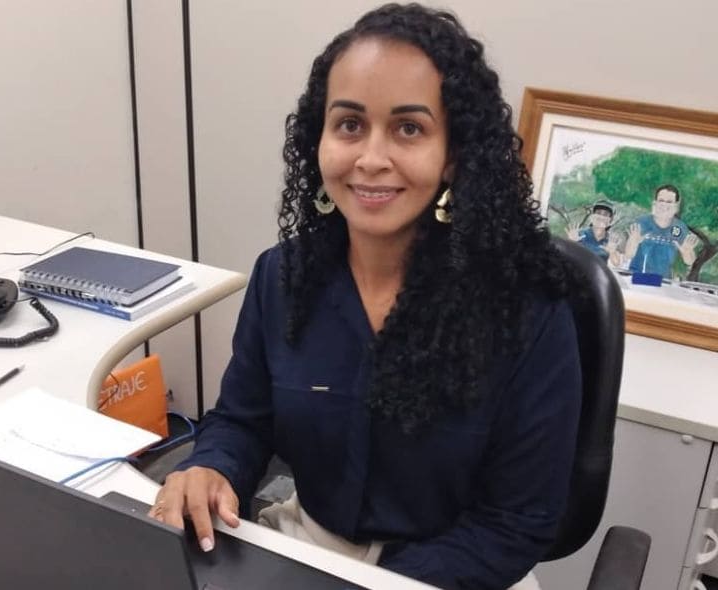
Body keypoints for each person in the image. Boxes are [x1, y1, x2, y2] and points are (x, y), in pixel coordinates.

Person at [149, 4, 582, 589]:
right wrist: (211, 466)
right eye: (350, 124)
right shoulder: (284, 277)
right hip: (311, 547)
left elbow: (516, 524)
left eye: (409, 129)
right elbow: (243, 421)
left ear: (453, 155)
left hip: (458, 572)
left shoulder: (528, 310)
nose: (371, 159)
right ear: (319, 138)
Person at [625, 184, 699, 278]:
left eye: (669, 202)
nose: (664, 205)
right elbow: (628, 254)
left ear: (676, 206)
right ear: (655, 203)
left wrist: (687, 252)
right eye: (661, 200)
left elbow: (690, 261)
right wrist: (634, 243)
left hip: (663, 280)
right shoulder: (642, 223)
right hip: (638, 277)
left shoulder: (680, 228)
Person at [567, 200, 622, 266]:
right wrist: (572, 243)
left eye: (605, 214)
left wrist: (612, 252)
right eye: (598, 213)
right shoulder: (579, 235)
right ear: (592, 216)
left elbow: (616, 263)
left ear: (610, 219)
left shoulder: (611, 240)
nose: (601, 217)